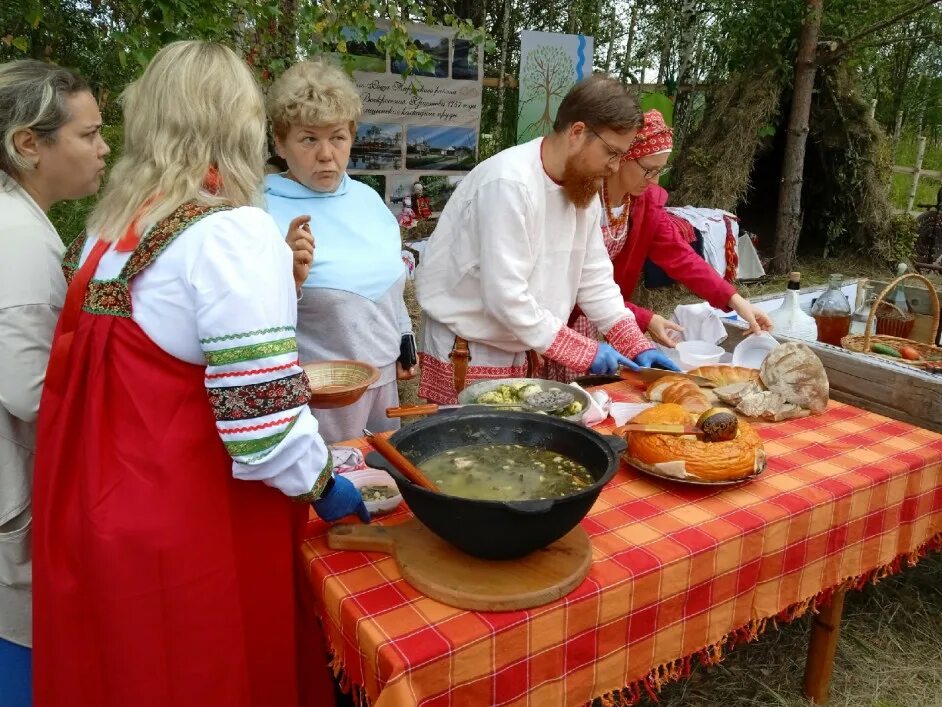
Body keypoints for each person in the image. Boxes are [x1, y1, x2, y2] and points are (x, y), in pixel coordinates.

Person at [30, 41, 367, 707]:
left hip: (95, 513)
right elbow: (262, 424)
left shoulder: (109, 232)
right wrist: (326, 482)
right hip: (190, 530)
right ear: (239, 124)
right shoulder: (231, 233)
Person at [415, 74, 678, 405]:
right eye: (611, 153)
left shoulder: (583, 186)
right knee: (467, 451)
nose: (613, 168)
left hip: (520, 344)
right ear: (577, 132)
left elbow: (593, 277)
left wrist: (636, 344)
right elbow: (506, 298)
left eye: (620, 156)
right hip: (471, 347)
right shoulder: (509, 184)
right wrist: (581, 350)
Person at [0, 59, 109, 707]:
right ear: (28, 144)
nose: (103, 147)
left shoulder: (20, 223)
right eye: (88, 134)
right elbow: (35, 392)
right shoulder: (18, 240)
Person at [545, 109, 773, 381]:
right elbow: (577, 280)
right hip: (552, 313)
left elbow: (682, 258)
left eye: (660, 171)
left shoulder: (644, 204)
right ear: (623, 157)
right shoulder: (582, 198)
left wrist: (735, 300)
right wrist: (644, 318)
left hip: (598, 312)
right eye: (648, 170)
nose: (653, 180)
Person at [265, 59, 415, 443]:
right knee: (328, 493)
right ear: (280, 142)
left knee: (383, 485)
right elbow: (249, 319)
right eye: (309, 139)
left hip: (382, 384)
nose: (326, 154)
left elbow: (391, 280)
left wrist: (404, 342)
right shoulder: (259, 210)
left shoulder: (368, 200)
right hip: (319, 395)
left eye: (337, 137)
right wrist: (284, 276)